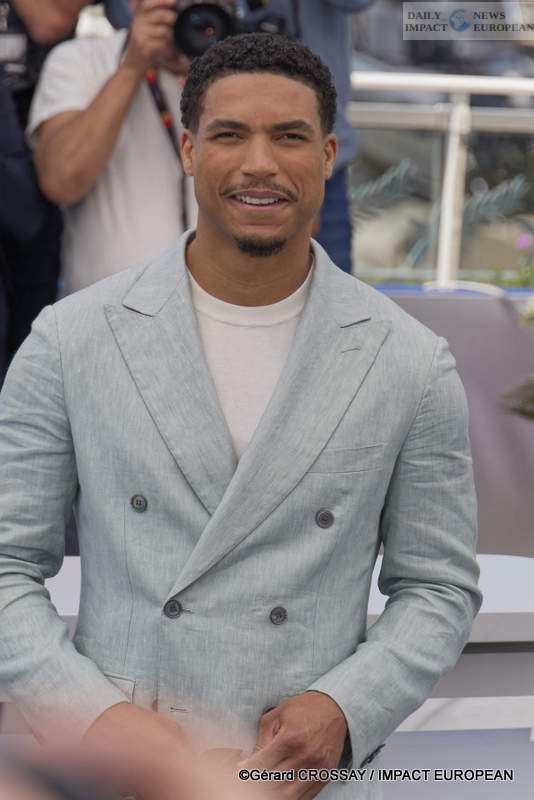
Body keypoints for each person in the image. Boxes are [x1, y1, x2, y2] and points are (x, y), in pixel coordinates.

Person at [0, 33, 480, 800]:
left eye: (289, 136)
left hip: (298, 777)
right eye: (230, 135)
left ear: (328, 154)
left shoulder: (411, 362)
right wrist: (97, 721)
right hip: (120, 773)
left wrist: (343, 710)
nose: (260, 163)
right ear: (190, 151)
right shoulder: (72, 341)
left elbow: (439, 586)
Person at [27, 0, 196, 294]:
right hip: (108, 311)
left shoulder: (245, 68)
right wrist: (132, 67)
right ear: (134, 3)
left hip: (224, 311)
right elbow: (60, 181)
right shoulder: (82, 59)